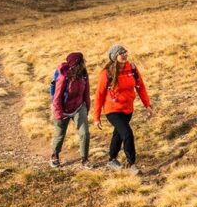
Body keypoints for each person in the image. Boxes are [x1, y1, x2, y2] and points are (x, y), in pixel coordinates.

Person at [93, 43, 152, 173]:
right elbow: (99, 95)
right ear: (115, 56)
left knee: (118, 134)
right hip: (112, 110)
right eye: (121, 53)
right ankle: (132, 165)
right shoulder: (106, 73)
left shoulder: (132, 68)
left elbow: (140, 87)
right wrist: (96, 117)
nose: (125, 55)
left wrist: (147, 105)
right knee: (127, 134)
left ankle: (111, 159)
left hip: (127, 109)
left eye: (125, 52)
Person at [50, 51, 91, 168]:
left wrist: (86, 108)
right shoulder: (63, 77)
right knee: (60, 133)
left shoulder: (84, 74)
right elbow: (57, 97)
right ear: (76, 64)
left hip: (79, 107)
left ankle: (85, 158)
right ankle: (55, 155)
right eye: (82, 62)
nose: (84, 64)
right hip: (63, 108)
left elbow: (86, 93)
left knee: (85, 133)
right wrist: (58, 115)